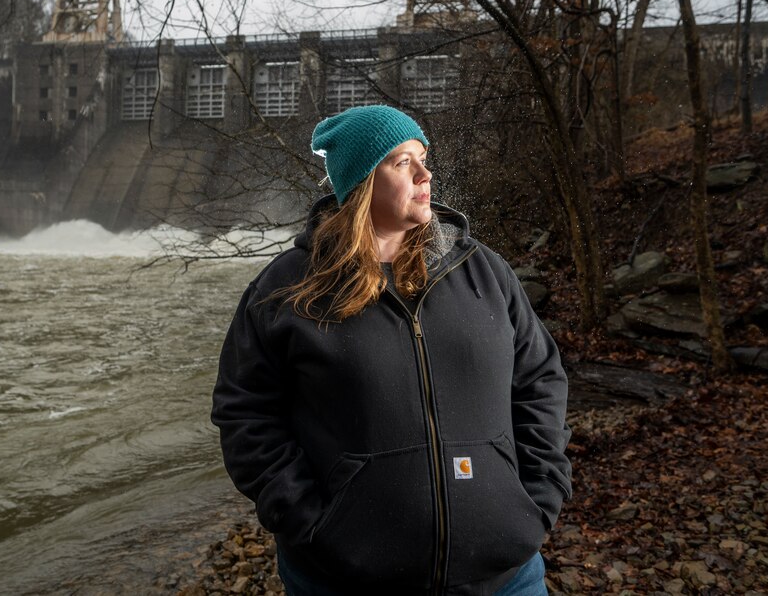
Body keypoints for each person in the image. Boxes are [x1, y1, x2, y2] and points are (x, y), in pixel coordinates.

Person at [211, 105, 571, 595]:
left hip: (504, 574)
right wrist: (311, 524)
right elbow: (245, 413)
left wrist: (539, 498)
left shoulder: (481, 270)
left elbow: (539, 380)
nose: (425, 175)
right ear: (361, 182)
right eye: (403, 162)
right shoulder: (289, 288)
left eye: (423, 159)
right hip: (346, 578)